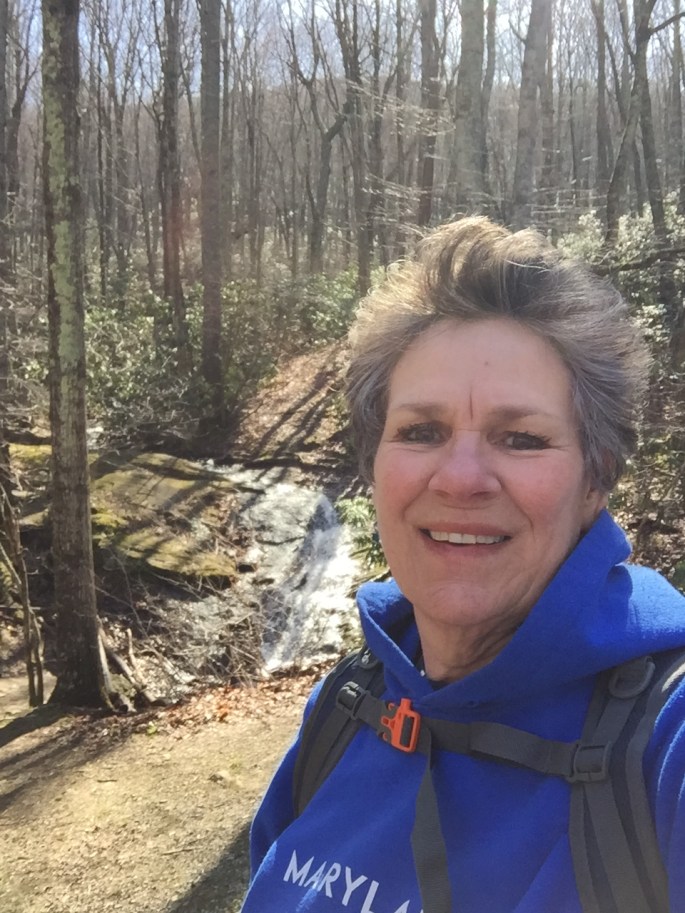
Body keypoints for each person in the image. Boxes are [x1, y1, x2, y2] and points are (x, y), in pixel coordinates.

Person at [239, 217, 685, 913]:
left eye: (521, 437)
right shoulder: (343, 710)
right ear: (374, 465)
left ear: (594, 480)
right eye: (421, 431)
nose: (460, 479)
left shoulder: (665, 742)